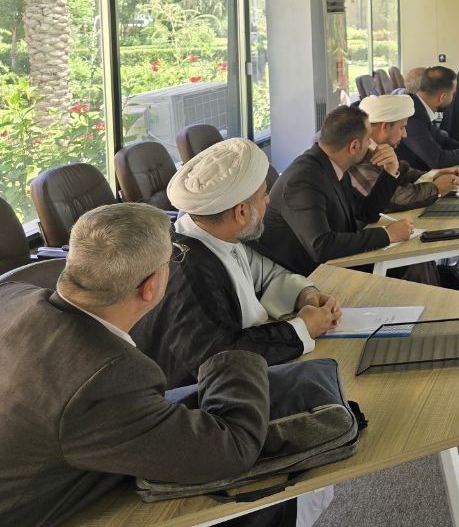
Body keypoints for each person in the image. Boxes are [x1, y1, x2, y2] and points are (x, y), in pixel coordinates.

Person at [0, 203, 291, 527]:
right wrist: (233, 353)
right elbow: (233, 449)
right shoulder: (105, 377)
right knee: (248, 511)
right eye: (173, 258)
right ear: (151, 286)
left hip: (42, 461)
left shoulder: (12, 293)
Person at [133, 138, 342, 389]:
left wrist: (305, 295)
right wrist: (303, 327)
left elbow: (266, 274)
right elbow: (222, 356)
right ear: (241, 212)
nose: (268, 201)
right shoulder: (191, 272)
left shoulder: (218, 236)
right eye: (264, 195)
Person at [253, 105, 414, 275]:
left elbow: (367, 213)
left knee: (409, 265)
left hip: (334, 263)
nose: (371, 146)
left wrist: (390, 170)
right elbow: (321, 245)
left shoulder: (333, 166)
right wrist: (387, 234)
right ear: (354, 146)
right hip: (306, 277)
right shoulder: (302, 181)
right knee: (407, 270)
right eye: (368, 140)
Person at [350, 93, 459, 283]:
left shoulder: (378, 147)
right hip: (360, 244)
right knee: (417, 253)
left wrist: (434, 175)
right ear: (384, 127)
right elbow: (393, 198)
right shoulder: (359, 155)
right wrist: (436, 189)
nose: (405, 134)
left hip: (370, 232)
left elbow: (403, 171)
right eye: (402, 127)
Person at [399, 65, 459, 171]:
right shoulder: (412, 115)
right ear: (443, 97)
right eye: (453, 94)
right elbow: (437, 160)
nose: (453, 97)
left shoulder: (419, 106)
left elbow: (440, 139)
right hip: (411, 177)